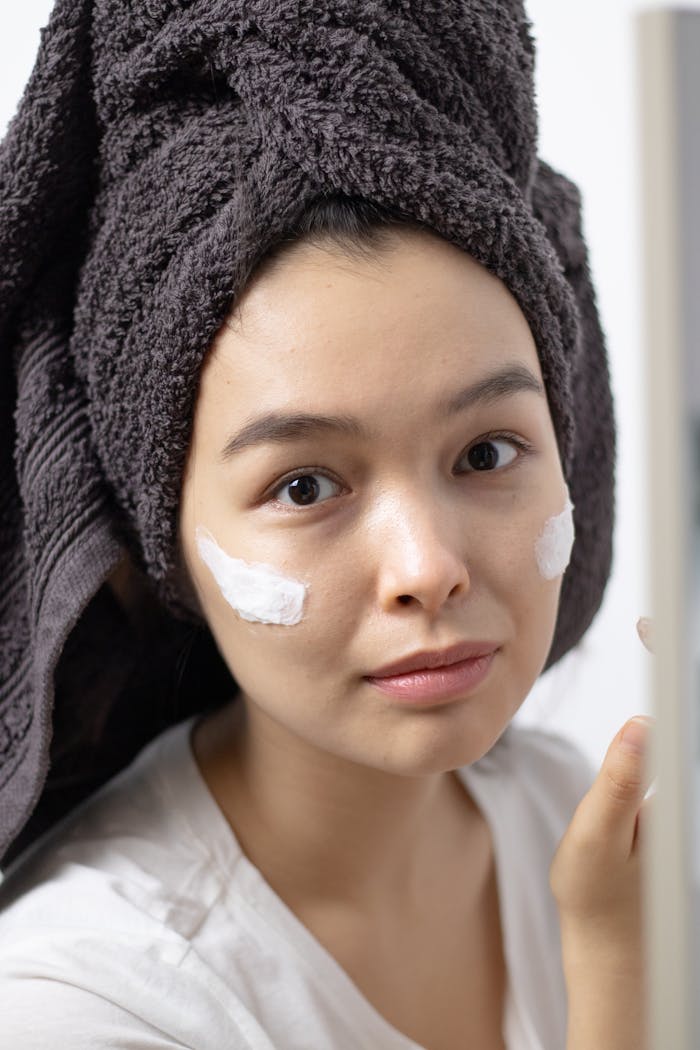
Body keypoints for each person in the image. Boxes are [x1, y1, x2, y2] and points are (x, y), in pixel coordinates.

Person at [0, 4, 652, 1049]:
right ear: (155, 542)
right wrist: (624, 979)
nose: (427, 568)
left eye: (484, 454)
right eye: (305, 486)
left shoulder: (578, 821)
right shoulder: (80, 1005)